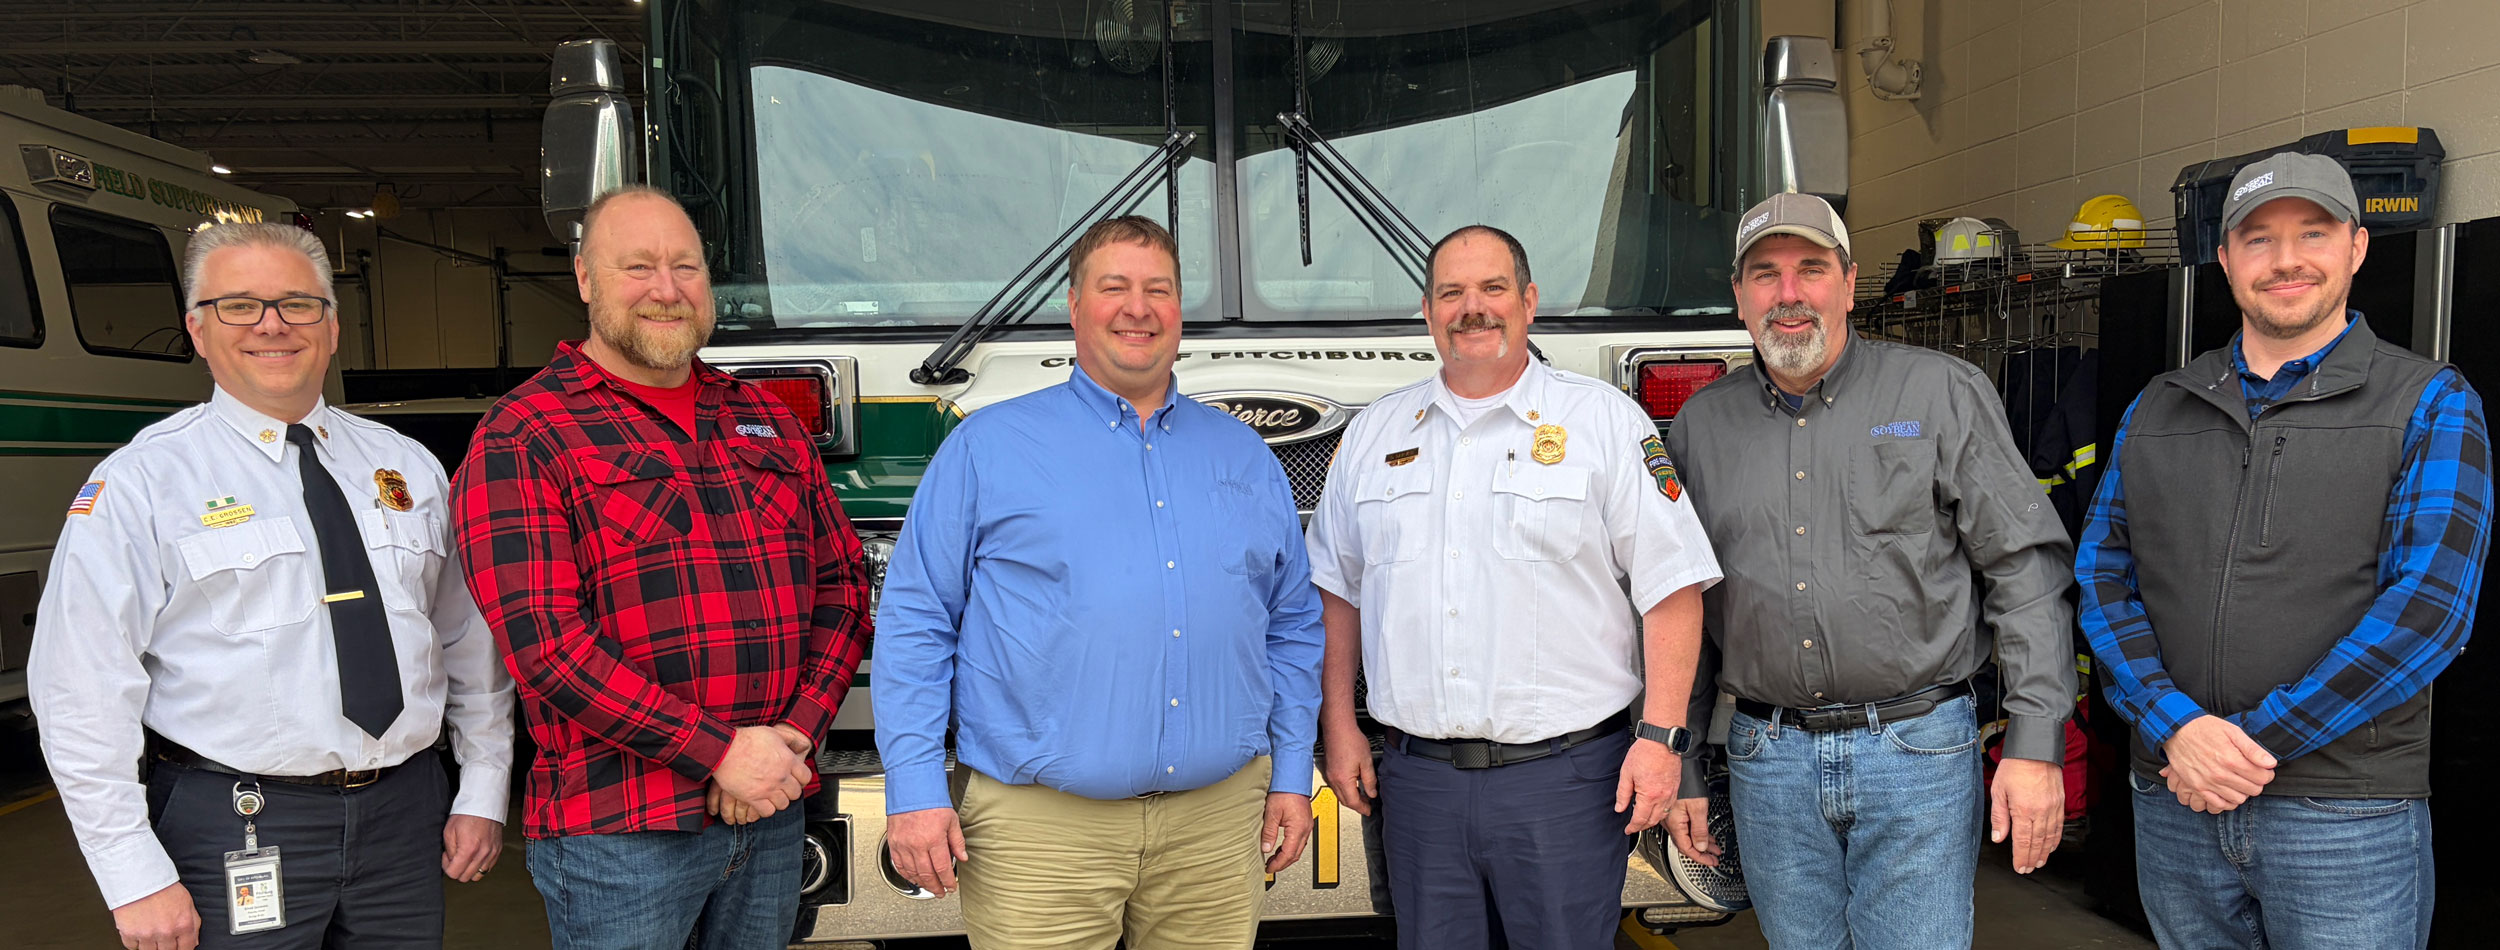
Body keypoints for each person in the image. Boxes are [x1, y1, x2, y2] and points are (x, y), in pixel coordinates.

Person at [30, 221, 514, 950]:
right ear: (197, 329)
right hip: (233, 818)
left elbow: (468, 642)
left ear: (333, 325)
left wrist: (483, 788)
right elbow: (81, 689)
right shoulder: (142, 483)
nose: (272, 325)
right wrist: (132, 872)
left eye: (298, 303)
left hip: (406, 815)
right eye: (239, 306)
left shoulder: (407, 469)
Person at [874, 215, 1323, 950]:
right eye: (1114, 287)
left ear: (1180, 309)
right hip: (1040, 833)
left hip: (1214, 829)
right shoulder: (985, 449)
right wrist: (917, 789)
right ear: (1075, 307)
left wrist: (1292, 773)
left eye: (1159, 289)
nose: (1137, 308)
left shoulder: (1245, 456)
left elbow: (1292, 625)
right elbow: (918, 623)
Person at [2078, 152, 2489, 950]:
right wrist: (2177, 729)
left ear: (2357, 247)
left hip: (2345, 815)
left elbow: (2429, 611)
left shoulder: (2430, 401)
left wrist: (2251, 745)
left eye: (2314, 232)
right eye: (2258, 239)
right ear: (2225, 258)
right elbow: (2101, 578)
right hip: (2176, 798)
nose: (2287, 259)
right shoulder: (2160, 405)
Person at [452, 186, 870, 950]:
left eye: (686, 268)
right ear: (584, 280)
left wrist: (792, 739)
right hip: (620, 837)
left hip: (770, 814)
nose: (668, 290)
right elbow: (547, 646)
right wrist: (723, 752)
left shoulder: (764, 417)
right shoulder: (524, 434)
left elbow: (842, 588)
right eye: (638, 267)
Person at [1662, 193, 2075, 950]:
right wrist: (1682, 764)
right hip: (1767, 756)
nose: (1789, 295)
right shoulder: (1700, 428)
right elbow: (1679, 610)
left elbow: (2025, 569)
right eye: (1766, 274)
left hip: (1917, 750)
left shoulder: (1940, 394)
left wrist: (2034, 741)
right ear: (1740, 296)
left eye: (1811, 270)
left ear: (1850, 284)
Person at [1304, 225, 1721, 950]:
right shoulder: (1373, 435)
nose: (1474, 308)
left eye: (1493, 289)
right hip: (1420, 782)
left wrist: (1660, 739)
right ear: (1429, 311)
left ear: (1528, 302)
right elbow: (1337, 593)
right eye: (1452, 293)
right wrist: (1338, 725)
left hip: (1564, 782)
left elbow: (1674, 589)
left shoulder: (1602, 423)